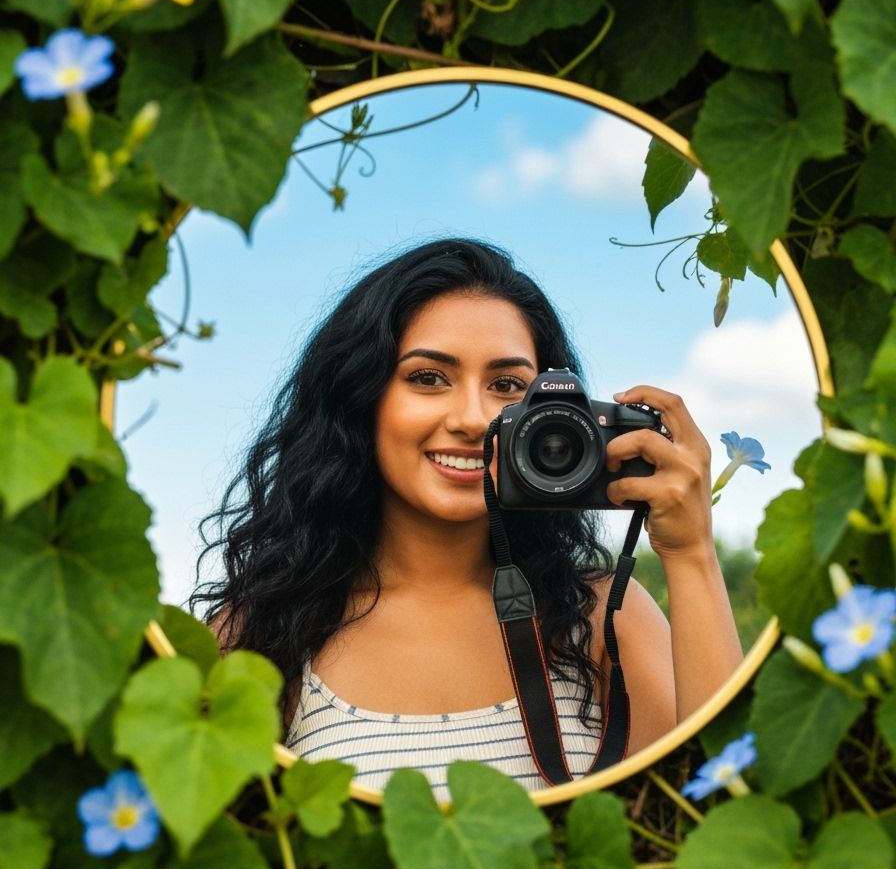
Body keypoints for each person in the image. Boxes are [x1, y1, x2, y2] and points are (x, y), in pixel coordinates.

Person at [193, 238, 743, 798]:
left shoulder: (605, 618)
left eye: (506, 386)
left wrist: (691, 553)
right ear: (361, 399)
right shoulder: (259, 635)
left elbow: (722, 803)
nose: (473, 419)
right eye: (428, 378)